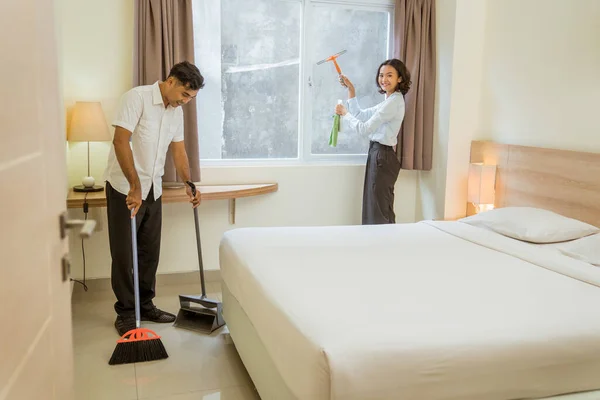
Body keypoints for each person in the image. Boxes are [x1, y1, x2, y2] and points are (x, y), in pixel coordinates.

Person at [103, 61, 204, 336]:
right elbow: (120, 141)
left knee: (149, 252)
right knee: (124, 255)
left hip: (152, 189)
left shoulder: (175, 112)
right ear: (170, 81)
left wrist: (188, 182)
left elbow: (179, 151)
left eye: (191, 98)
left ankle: (145, 305)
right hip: (125, 188)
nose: (186, 101)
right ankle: (125, 311)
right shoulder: (136, 98)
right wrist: (134, 185)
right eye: (185, 94)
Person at [335, 59, 411, 225]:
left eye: (389, 75)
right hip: (379, 154)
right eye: (382, 75)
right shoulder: (389, 101)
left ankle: (382, 247)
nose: (384, 79)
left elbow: (364, 129)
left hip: (382, 156)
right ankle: (384, 245)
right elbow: (361, 115)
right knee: (379, 207)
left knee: (378, 210)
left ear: (399, 78)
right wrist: (351, 90)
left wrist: (344, 114)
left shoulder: (394, 102)